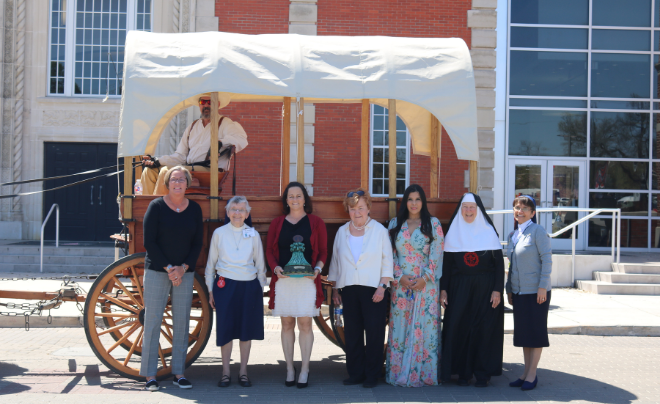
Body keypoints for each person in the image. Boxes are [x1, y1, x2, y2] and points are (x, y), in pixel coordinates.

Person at [141, 166, 203, 391]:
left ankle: (179, 373)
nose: (178, 183)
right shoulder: (156, 206)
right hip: (159, 271)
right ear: (167, 183)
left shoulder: (194, 209)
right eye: (174, 179)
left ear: (187, 184)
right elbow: (149, 242)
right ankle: (150, 375)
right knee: (153, 321)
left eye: (182, 179)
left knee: (181, 322)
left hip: (184, 273)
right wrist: (170, 268)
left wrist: (183, 267)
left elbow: (197, 243)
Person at [328, 189, 393, 389]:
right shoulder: (342, 232)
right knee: (353, 333)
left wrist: (383, 287)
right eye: (353, 209)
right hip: (348, 288)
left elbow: (387, 260)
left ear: (368, 209)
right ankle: (355, 373)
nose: (357, 212)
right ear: (348, 210)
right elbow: (336, 262)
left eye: (361, 208)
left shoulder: (379, 231)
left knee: (374, 334)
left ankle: (372, 375)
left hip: (374, 290)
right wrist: (336, 289)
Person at [439, 192, 505, 387]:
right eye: (465, 207)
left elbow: (499, 265)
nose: (468, 211)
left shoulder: (489, 232)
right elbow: (447, 266)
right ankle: (463, 373)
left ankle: (482, 374)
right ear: (461, 210)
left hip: (485, 289)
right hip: (459, 288)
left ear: (478, 210)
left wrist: (497, 290)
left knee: (483, 330)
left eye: (472, 207)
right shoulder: (453, 233)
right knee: (460, 328)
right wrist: (443, 290)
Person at [266, 182, 327, 389]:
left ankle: (305, 369)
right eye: (290, 196)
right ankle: (290, 368)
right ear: (286, 200)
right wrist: (275, 268)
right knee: (286, 325)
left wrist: (317, 269)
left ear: (304, 198)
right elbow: (269, 252)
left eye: (298, 195)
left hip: (307, 281)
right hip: (284, 281)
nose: (294, 199)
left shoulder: (316, 222)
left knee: (305, 325)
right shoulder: (277, 223)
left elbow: (324, 252)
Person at [385, 184, 444, 387]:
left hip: (425, 285)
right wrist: (399, 276)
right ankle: (397, 373)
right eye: (410, 199)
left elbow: (437, 255)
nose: (414, 203)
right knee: (400, 327)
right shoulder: (395, 224)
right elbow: (389, 254)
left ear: (423, 202)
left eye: (418, 199)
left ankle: (424, 374)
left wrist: (424, 278)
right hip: (400, 284)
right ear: (405, 201)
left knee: (425, 327)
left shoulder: (433, 224)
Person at [205, 196, 266, 388]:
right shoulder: (219, 233)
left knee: (245, 331)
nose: (237, 213)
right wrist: (210, 290)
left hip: (248, 286)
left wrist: (259, 287)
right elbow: (210, 265)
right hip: (225, 286)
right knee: (226, 330)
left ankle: (243, 372)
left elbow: (261, 265)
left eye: (241, 210)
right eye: (234, 209)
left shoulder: (253, 235)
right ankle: (225, 373)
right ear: (227, 212)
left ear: (247, 214)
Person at [140, 93, 248, 195]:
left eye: (210, 102)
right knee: (149, 171)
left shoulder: (225, 123)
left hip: (210, 171)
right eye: (203, 102)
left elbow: (242, 139)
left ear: (218, 105)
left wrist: (220, 143)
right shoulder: (193, 126)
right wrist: (158, 161)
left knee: (167, 172)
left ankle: (158, 209)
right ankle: (145, 209)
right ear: (199, 105)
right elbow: (180, 156)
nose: (206, 105)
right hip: (189, 169)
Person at [506, 195, 552, 391]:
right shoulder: (513, 235)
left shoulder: (537, 231)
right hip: (519, 292)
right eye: (517, 207)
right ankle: (525, 372)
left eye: (525, 208)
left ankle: (532, 374)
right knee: (525, 334)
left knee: (535, 333)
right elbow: (511, 264)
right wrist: (509, 289)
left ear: (533, 213)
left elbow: (547, 259)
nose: (520, 211)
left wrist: (543, 286)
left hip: (536, 292)